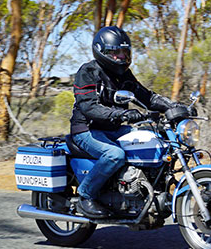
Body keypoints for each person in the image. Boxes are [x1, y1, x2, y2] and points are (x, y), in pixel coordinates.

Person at [70, 26, 178, 218]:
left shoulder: (124, 75)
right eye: (116, 52)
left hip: (114, 128)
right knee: (114, 154)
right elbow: (89, 107)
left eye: (124, 52)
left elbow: (148, 97)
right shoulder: (88, 71)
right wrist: (122, 115)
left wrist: (173, 106)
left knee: (156, 139)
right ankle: (85, 197)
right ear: (102, 51)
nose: (121, 56)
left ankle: (146, 192)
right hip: (86, 130)